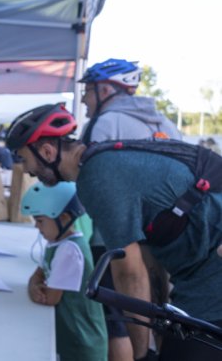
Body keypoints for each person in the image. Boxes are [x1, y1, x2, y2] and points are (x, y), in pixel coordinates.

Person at [7, 103, 222, 361]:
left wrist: (141, 354)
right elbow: (149, 261)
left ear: (46, 150)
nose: (26, 169)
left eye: (24, 158)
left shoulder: (96, 177)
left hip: (211, 276)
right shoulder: (103, 160)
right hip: (199, 271)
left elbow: (129, 271)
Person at [79, 58, 181, 361]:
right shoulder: (165, 123)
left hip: (118, 241)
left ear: (106, 89)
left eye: (87, 90)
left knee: (119, 324)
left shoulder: (104, 123)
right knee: (165, 320)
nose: (84, 98)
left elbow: (90, 184)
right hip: (170, 241)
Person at [22, 182, 107, 361]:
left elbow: (50, 298)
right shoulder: (57, 242)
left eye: (40, 221)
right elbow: (38, 274)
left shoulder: (69, 250)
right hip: (72, 336)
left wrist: (33, 288)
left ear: (64, 218)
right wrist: (34, 284)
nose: (37, 227)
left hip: (82, 343)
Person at [79, 58, 181, 145]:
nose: (83, 100)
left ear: (105, 90)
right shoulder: (168, 126)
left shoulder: (102, 124)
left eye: (87, 91)